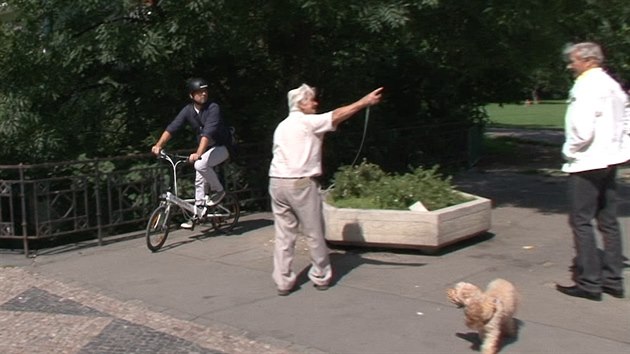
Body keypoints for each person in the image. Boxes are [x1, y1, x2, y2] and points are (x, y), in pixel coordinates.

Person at [268, 83, 384, 296]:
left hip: (276, 182)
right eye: (312, 99)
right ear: (301, 103)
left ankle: (283, 281)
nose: (315, 103)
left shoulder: (282, 126)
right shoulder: (307, 122)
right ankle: (320, 275)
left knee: (284, 234)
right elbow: (338, 114)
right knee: (314, 231)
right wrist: (364, 102)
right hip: (300, 183)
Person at [555, 42, 629, 301]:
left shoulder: (586, 85)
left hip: (587, 161)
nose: (570, 65)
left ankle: (590, 282)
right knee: (608, 220)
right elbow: (626, 116)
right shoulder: (612, 85)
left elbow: (581, 128)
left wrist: (570, 150)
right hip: (610, 159)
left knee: (581, 221)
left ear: (587, 60)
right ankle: (614, 279)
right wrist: (621, 147)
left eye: (573, 60)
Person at [151, 77, 232, 228]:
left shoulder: (213, 108)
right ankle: (198, 213)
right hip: (207, 150)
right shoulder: (188, 110)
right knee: (199, 178)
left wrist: (198, 154)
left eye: (205, 91)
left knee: (200, 164)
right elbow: (172, 127)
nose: (203, 94)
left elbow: (207, 133)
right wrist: (158, 145)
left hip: (222, 147)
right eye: (199, 92)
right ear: (191, 95)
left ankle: (219, 191)